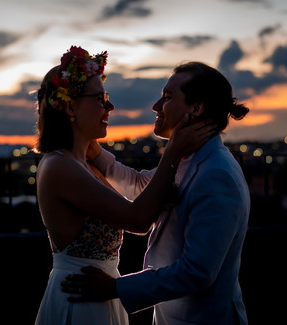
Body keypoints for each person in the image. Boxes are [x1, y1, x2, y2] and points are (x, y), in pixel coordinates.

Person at [33, 47, 214, 325]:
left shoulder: (84, 164)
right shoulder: (60, 166)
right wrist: (173, 151)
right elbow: (139, 219)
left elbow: (141, 187)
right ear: (70, 107)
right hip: (80, 300)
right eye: (100, 99)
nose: (110, 107)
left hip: (98, 296)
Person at [62, 62, 251, 324]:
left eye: (167, 97)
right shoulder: (189, 160)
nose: (156, 106)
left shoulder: (217, 175)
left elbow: (197, 272)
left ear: (196, 108)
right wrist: (91, 148)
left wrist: (115, 288)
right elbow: (141, 185)